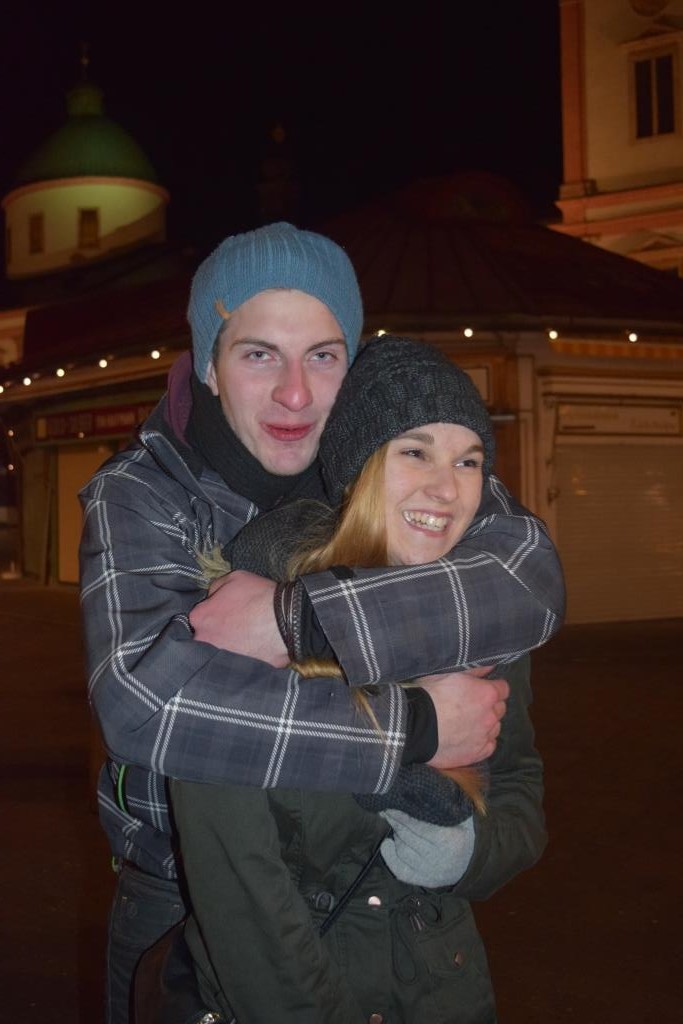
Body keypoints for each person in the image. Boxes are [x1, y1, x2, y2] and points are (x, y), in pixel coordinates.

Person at [78, 223, 564, 1024]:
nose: (296, 394)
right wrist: (412, 727)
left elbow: (528, 578)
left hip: (396, 921)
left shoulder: (387, 459)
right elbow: (151, 706)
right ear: (208, 363)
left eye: (324, 356)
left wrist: (295, 620)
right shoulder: (143, 493)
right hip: (183, 897)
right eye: (258, 354)